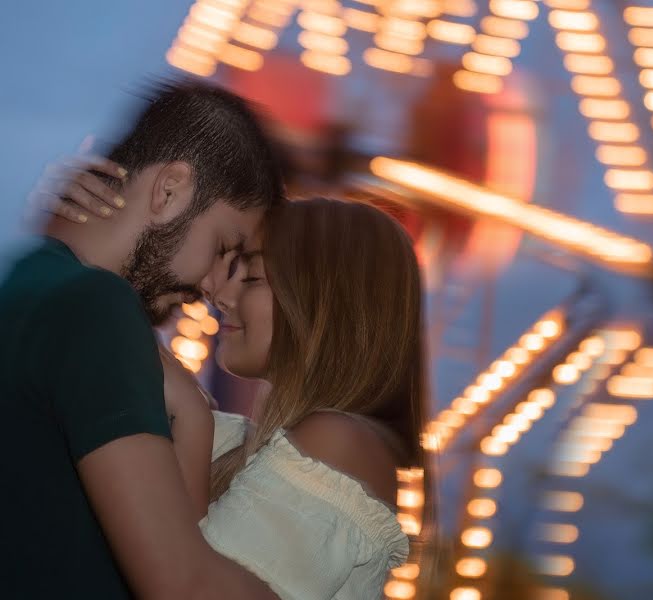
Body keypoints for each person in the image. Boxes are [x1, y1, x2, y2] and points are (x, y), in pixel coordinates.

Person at [32, 162, 429, 597]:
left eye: (253, 277)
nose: (221, 296)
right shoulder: (245, 445)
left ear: (324, 300)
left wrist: (191, 413)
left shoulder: (342, 442)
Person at [1, 81, 283, 599]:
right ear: (169, 190)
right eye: (224, 247)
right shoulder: (97, 307)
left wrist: (194, 418)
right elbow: (183, 586)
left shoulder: (27, 280)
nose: (214, 291)